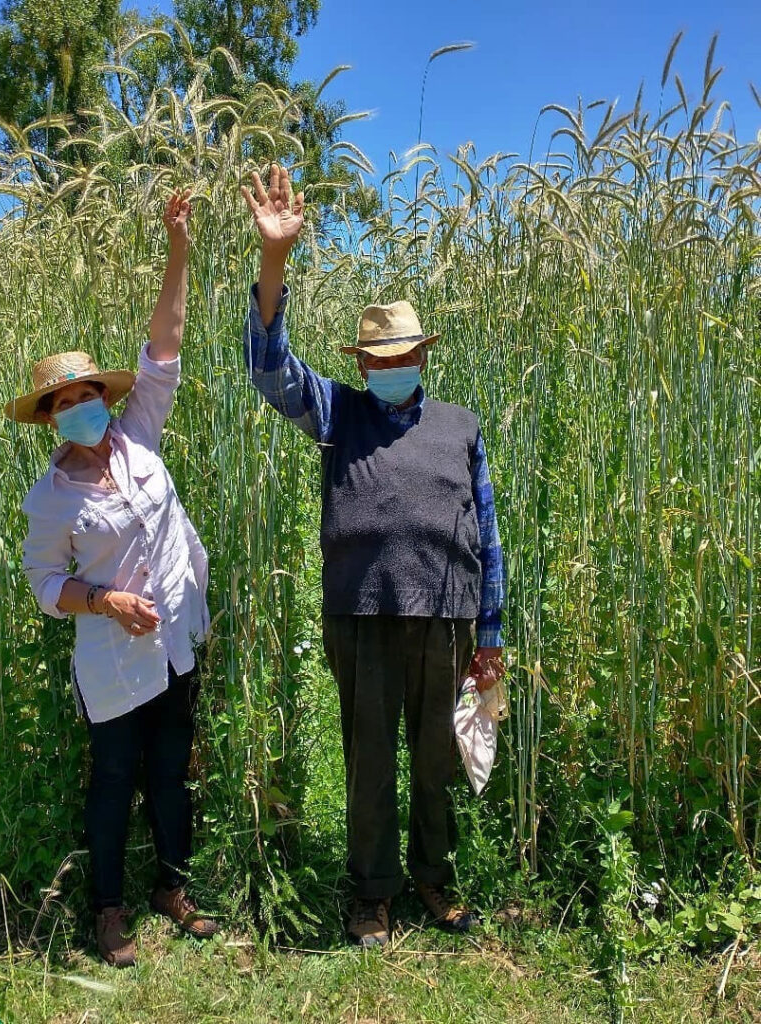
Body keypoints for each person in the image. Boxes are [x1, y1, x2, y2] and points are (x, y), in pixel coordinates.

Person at [240, 164, 506, 947]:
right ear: (360, 365)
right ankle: (370, 895)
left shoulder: (460, 426)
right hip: (360, 614)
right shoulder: (339, 413)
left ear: (423, 355)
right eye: (380, 361)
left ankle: (434, 878)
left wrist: (490, 636)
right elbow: (266, 370)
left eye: (405, 357)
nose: (393, 370)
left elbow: (488, 532)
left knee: (437, 760)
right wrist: (274, 263)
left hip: (448, 619)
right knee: (370, 763)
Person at [5, 190, 218, 967]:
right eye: (65, 403)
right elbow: (44, 585)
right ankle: (107, 910)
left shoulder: (140, 439)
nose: (82, 407)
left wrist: (178, 248)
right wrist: (102, 599)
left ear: (105, 396)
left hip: (173, 647)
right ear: (52, 420)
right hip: (111, 662)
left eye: (89, 393)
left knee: (172, 773)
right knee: (113, 781)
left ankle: (174, 887)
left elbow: (166, 343)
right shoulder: (51, 498)